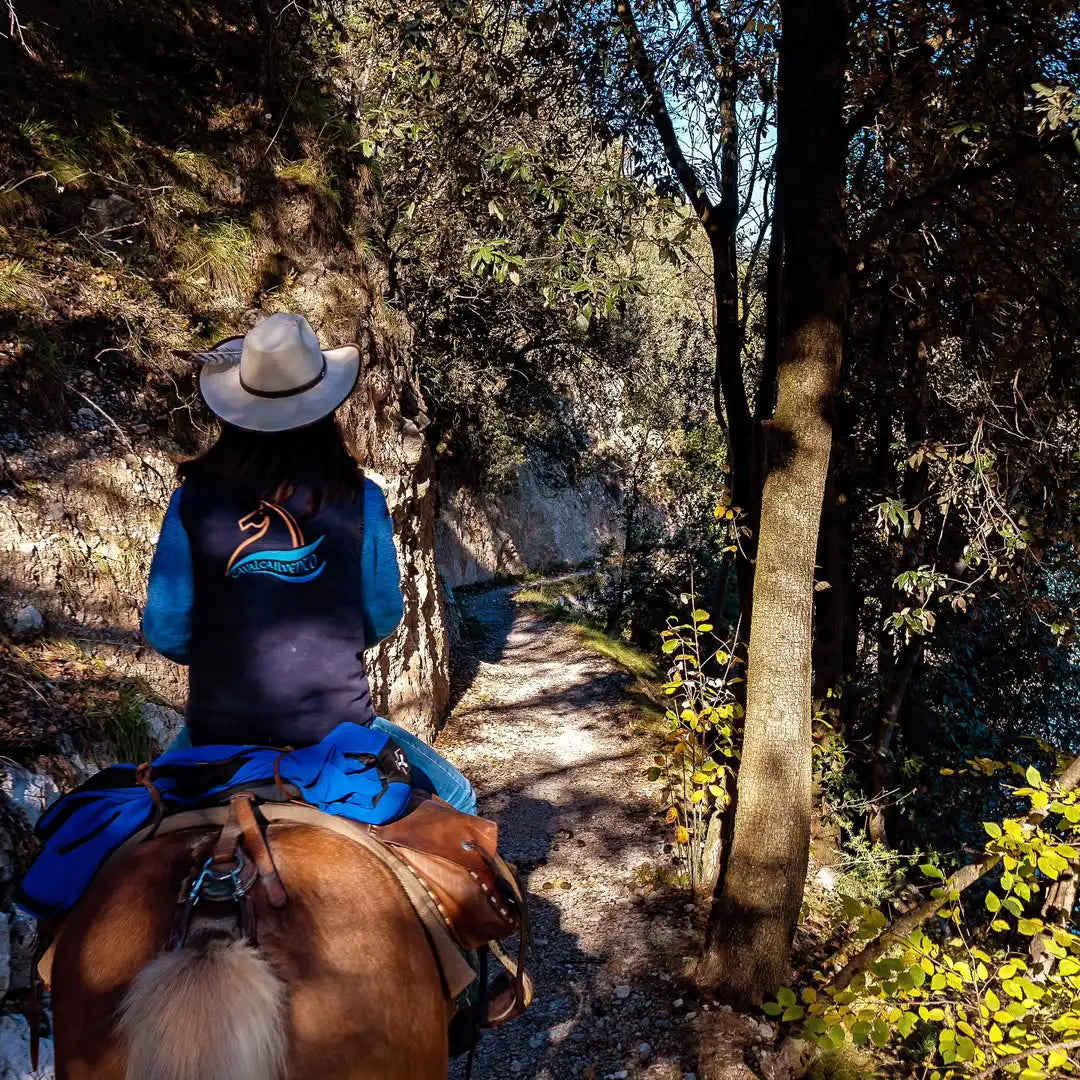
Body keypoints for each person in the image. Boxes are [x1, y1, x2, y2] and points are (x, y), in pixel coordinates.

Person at [141, 312, 476, 815]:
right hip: (333, 732)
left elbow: (166, 630)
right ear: (325, 410)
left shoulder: (191, 502)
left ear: (233, 413)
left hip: (218, 733)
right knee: (457, 798)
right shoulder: (360, 499)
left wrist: (231, 647)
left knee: (135, 817)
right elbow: (383, 613)